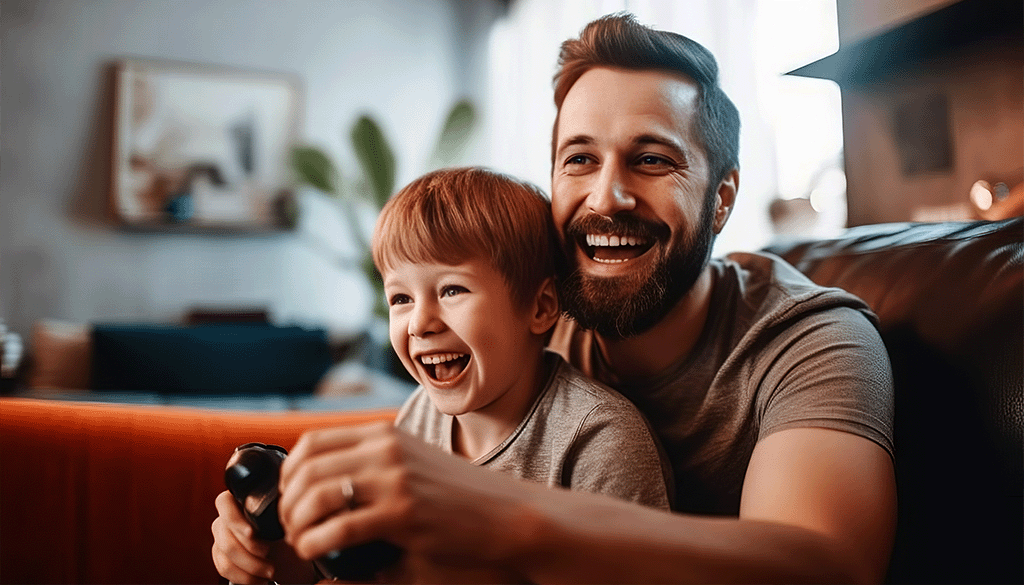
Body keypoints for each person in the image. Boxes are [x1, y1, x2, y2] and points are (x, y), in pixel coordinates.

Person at [272, 13, 897, 584]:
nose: (605, 198)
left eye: (650, 160)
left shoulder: (813, 341)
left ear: (723, 198)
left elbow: (829, 568)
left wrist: (504, 519)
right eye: (579, 159)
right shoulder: (538, 306)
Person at [212, 167, 672, 584]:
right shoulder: (419, 417)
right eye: (400, 299)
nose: (419, 323)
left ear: (540, 307)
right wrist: (268, 551)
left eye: (452, 289)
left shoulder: (600, 440)